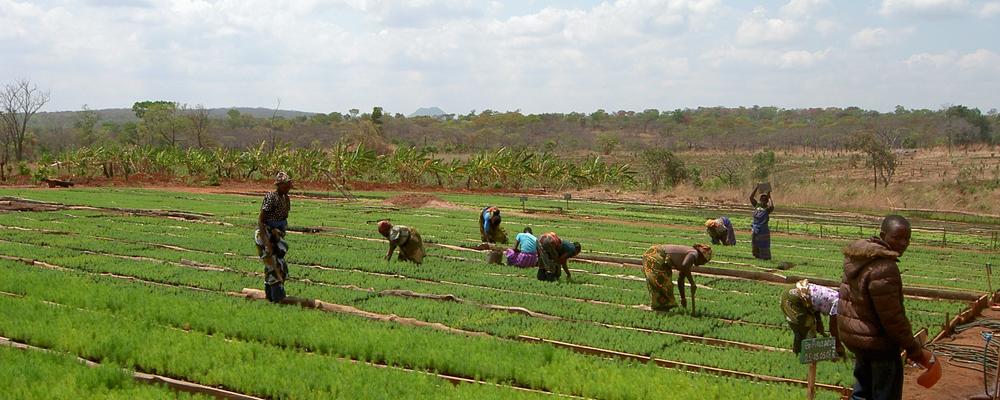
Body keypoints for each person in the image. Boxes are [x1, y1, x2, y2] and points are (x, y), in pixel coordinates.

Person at [838, 215, 932, 400]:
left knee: (862, 391)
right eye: (897, 237)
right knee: (885, 393)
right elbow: (892, 318)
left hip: (857, 339)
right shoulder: (884, 267)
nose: (903, 243)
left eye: (907, 238)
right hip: (879, 343)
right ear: (883, 235)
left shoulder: (859, 258)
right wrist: (913, 348)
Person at [255, 171, 292, 303]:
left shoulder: (286, 198)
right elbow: (261, 220)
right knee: (274, 267)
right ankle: (276, 298)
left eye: (289, 184)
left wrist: (280, 233)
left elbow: (283, 218)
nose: (289, 186)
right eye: (286, 184)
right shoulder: (271, 197)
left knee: (278, 266)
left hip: (276, 236)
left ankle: (271, 297)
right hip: (266, 234)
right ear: (279, 185)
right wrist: (266, 242)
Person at [781, 279, 844, 356]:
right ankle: (801, 353)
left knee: (807, 327)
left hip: (797, 292)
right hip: (793, 298)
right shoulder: (838, 304)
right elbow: (833, 328)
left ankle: (802, 351)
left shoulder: (835, 295)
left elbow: (815, 305)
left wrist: (819, 323)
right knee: (805, 326)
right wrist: (838, 345)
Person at [642, 244, 711, 313]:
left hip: (662, 259)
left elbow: (680, 280)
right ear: (701, 256)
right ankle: (660, 307)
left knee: (666, 283)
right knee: (660, 281)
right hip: (656, 254)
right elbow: (685, 266)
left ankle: (663, 307)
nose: (702, 264)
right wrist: (692, 283)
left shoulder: (690, 258)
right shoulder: (693, 253)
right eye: (704, 261)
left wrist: (683, 298)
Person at [749, 186, 774, 260]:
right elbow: (751, 197)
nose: (762, 199)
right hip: (755, 229)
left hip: (763, 231)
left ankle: (765, 258)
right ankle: (757, 256)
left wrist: (769, 197)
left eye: (764, 199)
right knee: (755, 244)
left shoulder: (767, 209)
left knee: (763, 244)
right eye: (761, 198)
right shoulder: (757, 206)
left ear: (766, 201)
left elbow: (772, 206)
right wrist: (757, 188)